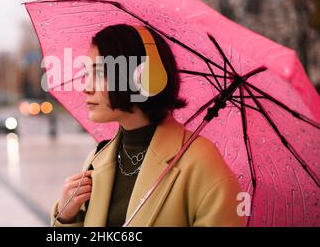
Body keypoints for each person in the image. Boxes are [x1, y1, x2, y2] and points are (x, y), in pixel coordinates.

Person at [51, 24, 245, 227]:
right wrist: (66, 217)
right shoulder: (97, 158)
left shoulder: (200, 162)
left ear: (142, 77)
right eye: (86, 74)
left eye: (100, 74)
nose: (86, 87)